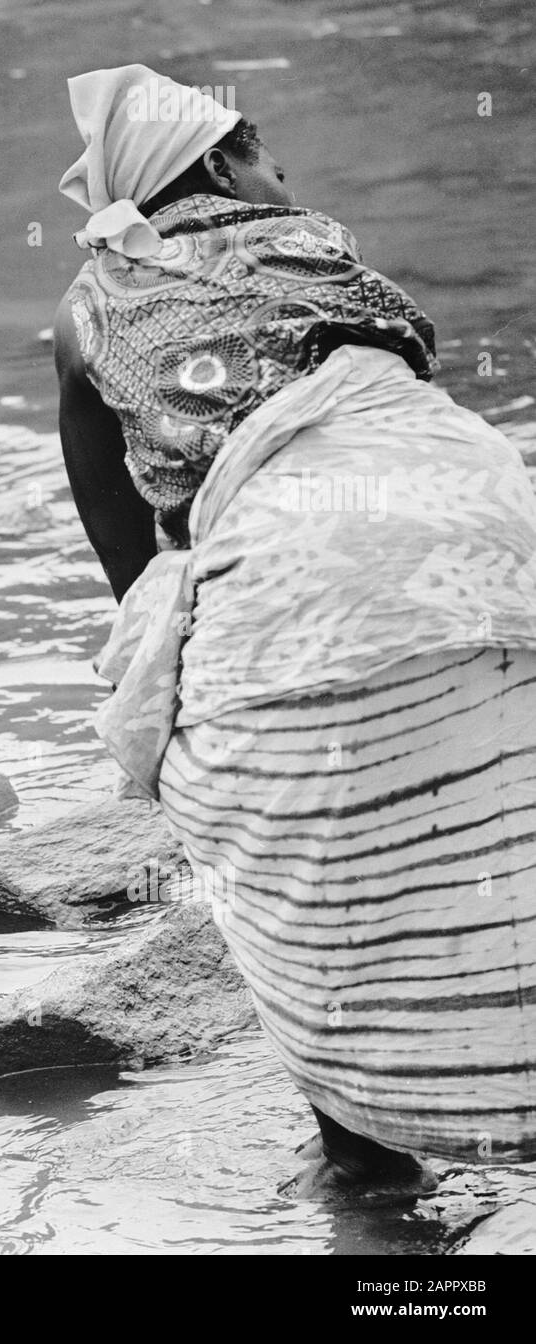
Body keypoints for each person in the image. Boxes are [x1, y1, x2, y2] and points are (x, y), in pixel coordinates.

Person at [54, 66, 536, 1196]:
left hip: (295, 575)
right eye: (265, 154)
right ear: (222, 167)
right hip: (487, 524)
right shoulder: (314, 238)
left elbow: (133, 565)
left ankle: (372, 1177)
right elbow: (404, 367)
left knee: (313, 885)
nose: (287, 177)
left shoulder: (84, 308)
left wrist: (183, 671)